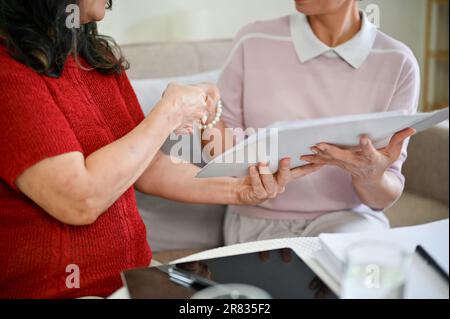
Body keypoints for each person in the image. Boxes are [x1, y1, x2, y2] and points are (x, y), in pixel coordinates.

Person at [0, 0, 319, 299]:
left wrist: (240, 190)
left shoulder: (95, 57)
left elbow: (148, 167)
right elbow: (80, 200)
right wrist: (170, 111)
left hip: (136, 278)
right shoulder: (9, 73)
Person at [205, 0, 419, 245]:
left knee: (349, 277)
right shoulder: (252, 41)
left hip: (351, 220)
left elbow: (382, 197)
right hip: (259, 220)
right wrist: (243, 174)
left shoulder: (398, 62)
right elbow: (220, 135)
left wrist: (370, 177)